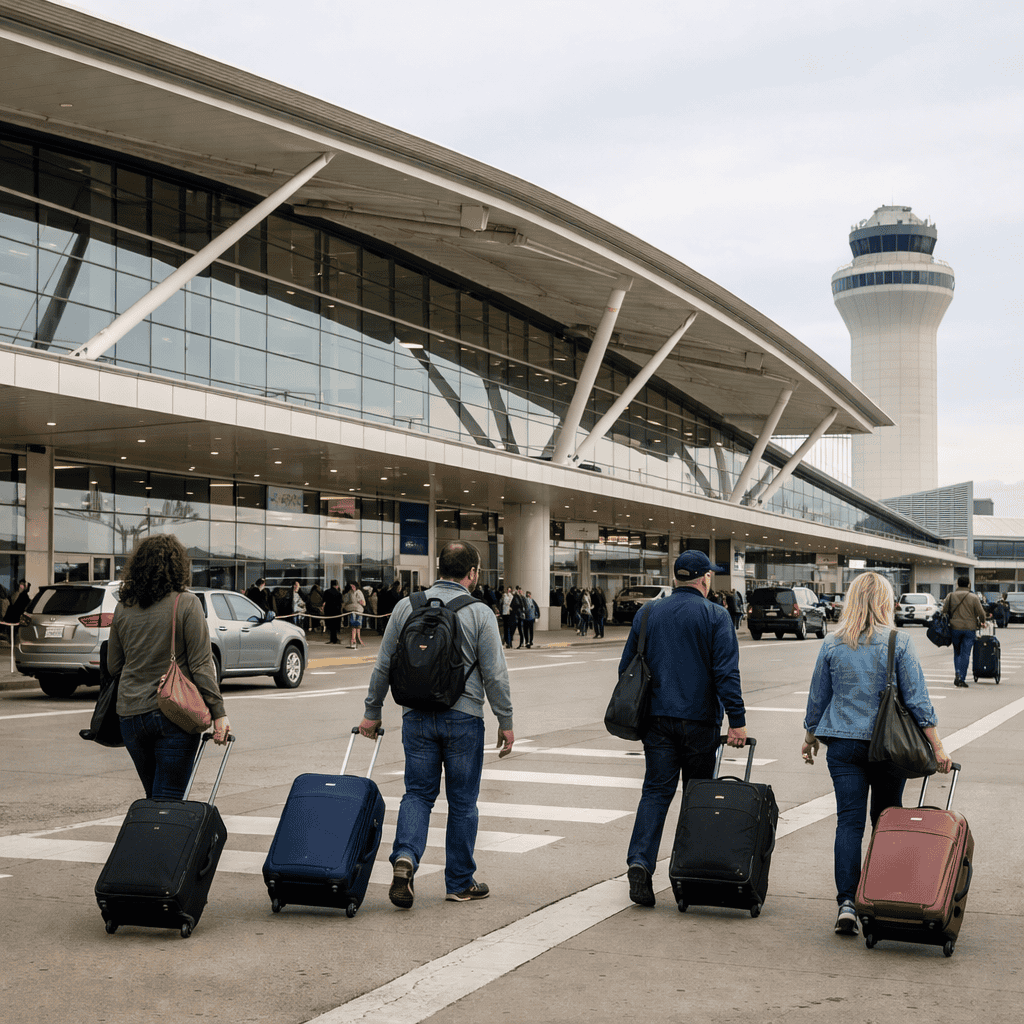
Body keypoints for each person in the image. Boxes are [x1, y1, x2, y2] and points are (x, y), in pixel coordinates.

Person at [358, 540, 514, 907]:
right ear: (472, 572)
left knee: (418, 794)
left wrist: (372, 710)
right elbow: (495, 675)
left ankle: (406, 857)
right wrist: (505, 721)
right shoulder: (479, 613)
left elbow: (384, 664)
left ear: (440, 568)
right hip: (464, 719)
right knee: (462, 803)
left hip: (416, 717)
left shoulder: (405, 607)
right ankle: (459, 882)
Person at [801, 571, 952, 936]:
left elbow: (818, 696)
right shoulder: (898, 641)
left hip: (842, 744)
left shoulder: (833, 642)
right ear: (886, 602)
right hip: (890, 747)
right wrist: (937, 745)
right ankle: (884, 896)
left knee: (848, 823)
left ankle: (847, 903)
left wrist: (810, 736)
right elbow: (916, 699)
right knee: (886, 821)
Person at [619, 550, 747, 907]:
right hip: (700, 722)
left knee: (656, 792)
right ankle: (689, 873)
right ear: (704, 578)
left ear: (676, 577)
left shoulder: (647, 612)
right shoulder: (715, 615)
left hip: (656, 720)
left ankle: (640, 862)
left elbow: (627, 667)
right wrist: (736, 720)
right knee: (696, 798)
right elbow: (726, 673)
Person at [106, 534, 230, 800]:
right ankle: (157, 840)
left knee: (154, 794)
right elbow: (200, 664)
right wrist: (219, 713)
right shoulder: (185, 603)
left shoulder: (123, 608)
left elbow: (114, 665)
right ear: (178, 566)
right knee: (169, 798)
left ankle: (149, 839)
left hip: (130, 714)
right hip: (173, 712)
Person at [941, 576, 988, 687]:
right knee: (966, 653)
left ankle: (957, 672)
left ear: (957, 584)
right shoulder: (974, 597)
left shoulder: (950, 596)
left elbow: (944, 611)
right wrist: (982, 621)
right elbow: (981, 613)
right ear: (968, 584)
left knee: (957, 652)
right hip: (969, 629)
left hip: (955, 628)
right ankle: (962, 678)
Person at [342, 581, 366, 648]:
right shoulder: (350, 593)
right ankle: (354, 639)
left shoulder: (358, 592)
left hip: (357, 610)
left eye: (353, 586)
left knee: (357, 625)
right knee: (354, 625)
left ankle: (356, 638)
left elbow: (363, 602)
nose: (352, 587)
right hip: (353, 610)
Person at [323, 579, 343, 644]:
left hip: (328, 610)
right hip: (336, 611)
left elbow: (324, 601)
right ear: (336, 585)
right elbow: (341, 602)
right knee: (335, 625)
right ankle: (335, 639)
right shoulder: (338, 593)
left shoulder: (326, 592)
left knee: (330, 626)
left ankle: (332, 639)